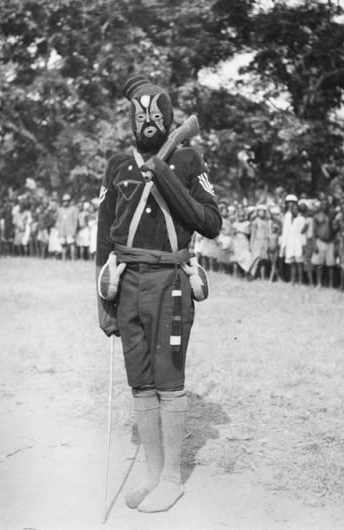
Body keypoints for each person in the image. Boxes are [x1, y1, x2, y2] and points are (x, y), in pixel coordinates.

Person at [96, 73, 221, 513]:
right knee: (140, 382)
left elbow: (210, 222)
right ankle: (152, 475)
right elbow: (103, 237)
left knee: (168, 381)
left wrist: (164, 173)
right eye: (139, 114)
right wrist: (103, 302)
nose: (147, 122)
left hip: (170, 283)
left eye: (156, 114)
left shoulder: (188, 160)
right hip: (126, 282)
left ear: (169, 120)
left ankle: (172, 479)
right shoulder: (116, 165)